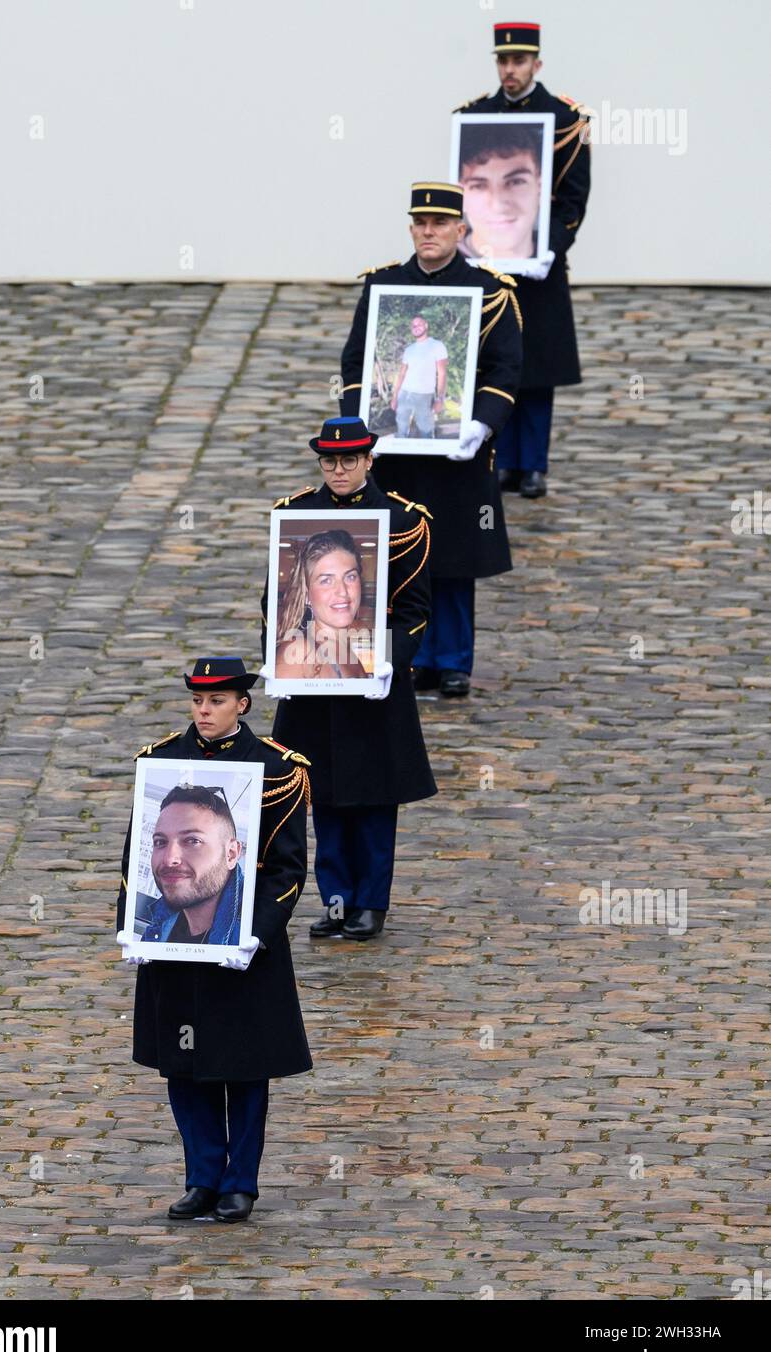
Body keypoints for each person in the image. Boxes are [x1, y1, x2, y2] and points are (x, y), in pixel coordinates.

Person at [115, 657, 312, 1224]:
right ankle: (201, 1177)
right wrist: (132, 923)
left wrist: (255, 935)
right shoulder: (159, 760)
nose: (205, 711)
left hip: (244, 947)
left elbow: (287, 869)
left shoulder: (278, 768)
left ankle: (240, 1183)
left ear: (242, 704)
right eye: (198, 701)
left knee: (245, 1066)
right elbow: (137, 854)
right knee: (185, 1063)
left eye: (218, 701)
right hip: (174, 945)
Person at [340, 181, 522, 697]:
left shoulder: (489, 291)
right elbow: (357, 363)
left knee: (453, 557)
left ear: (461, 230)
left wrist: (480, 424)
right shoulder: (384, 287)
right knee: (399, 556)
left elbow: (505, 368)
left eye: (440, 223)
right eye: (420, 223)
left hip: (456, 452)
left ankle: (454, 661)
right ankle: (409, 659)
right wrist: (360, 429)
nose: (429, 231)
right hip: (395, 452)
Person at [261, 416, 436, 941]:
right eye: (330, 461)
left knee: (375, 799)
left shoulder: (402, 520)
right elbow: (275, 601)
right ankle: (336, 901)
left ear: (369, 461)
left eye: (350, 460)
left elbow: (416, 610)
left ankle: (371, 904)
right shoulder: (295, 515)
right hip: (312, 681)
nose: (339, 470)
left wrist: (391, 660)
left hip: (374, 686)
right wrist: (278, 657)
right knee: (326, 796)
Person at [454, 19, 591, 499]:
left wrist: (544, 249)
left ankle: (532, 465)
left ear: (537, 63)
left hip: (538, 266)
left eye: (519, 61)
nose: (510, 70)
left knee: (536, 367)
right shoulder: (477, 116)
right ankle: (501, 460)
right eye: (503, 61)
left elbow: (572, 200)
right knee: (493, 362)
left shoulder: (566, 120)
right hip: (489, 262)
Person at [140, 785, 244, 945]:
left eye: (193, 841)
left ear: (230, 855)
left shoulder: (253, 928)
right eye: (160, 842)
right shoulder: (159, 927)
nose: (169, 860)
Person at [275, 528, 368, 678]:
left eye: (350, 577)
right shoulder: (300, 651)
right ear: (306, 595)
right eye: (326, 580)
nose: (343, 591)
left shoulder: (344, 648)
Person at [458, 124, 543, 262]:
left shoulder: (554, 260)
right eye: (479, 186)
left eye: (516, 182)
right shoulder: (442, 268)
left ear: (540, 187)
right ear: (460, 195)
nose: (498, 206)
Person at [391, 315, 448, 439]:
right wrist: (395, 396)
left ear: (426, 326)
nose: (416, 327)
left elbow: (442, 373)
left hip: (424, 395)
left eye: (419, 324)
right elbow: (401, 374)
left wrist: (440, 399)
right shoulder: (409, 350)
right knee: (401, 431)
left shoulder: (437, 345)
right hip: (404, 394)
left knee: (426, 433)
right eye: (413, 326)